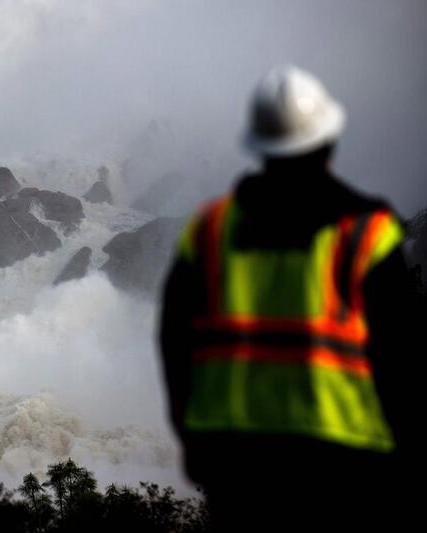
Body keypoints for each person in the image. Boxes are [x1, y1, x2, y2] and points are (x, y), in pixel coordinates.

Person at [160, 65, 424, 532]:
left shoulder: (211, 230)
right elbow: (404, 357)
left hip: (240, 470)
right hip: (347, 464)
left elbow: (175, 344)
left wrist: (194, 441)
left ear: (258, 146)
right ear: (329, 142)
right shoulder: (370, 234)